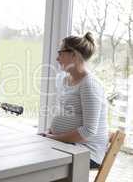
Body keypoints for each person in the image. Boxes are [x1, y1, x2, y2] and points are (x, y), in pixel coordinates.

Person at [39, 32, 108, 169]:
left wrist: (53, 139)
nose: (57, 58)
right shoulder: (65, 80)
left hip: (86, 152)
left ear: (74, 55)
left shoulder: (89, 85)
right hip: (68, 145)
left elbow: (88, 131)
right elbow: (67, 113)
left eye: (60, 53)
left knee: (36, 164)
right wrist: (50, 132)